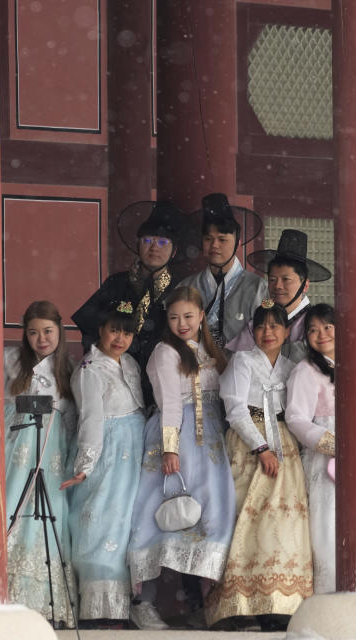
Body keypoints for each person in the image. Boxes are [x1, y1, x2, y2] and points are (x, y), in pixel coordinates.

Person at [126, 286, 236, 630]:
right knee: (160, 514)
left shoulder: (207, 349)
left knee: (213, 517)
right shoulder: (164, 352)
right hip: (179, 437)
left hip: (211, 442)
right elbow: (170, 403)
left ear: (202, 315)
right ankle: (142, 601)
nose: (182, 323)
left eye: (188, 316)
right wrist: (170, 448)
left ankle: (206, 604)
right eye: (174, 317)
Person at [206, 301, 313, 630]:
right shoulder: (242, 361)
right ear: (253, 330)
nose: (269, 332)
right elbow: (235, 409)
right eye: (262, 326)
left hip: (284, 443)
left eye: (275, 326)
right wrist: (261, 447)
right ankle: (238, 605)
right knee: (244, 519)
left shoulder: (291, 365)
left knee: (283, 522)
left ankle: (278, 602)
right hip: (249, 443)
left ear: (286, 331)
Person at [61, 300, 147, 625]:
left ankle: (122, 605)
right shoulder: (89, 371)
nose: (120, 339)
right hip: (108, 453)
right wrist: (86, 465)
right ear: (101, 330)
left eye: (126, 332)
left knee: (126, 524)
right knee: (101, 521)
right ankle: (99, 608)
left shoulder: (131, 364)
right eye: (114, 330)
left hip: (133, 452)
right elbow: (92, 421)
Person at [3, 300, 78, 626]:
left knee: (51, 515)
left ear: (59, 331)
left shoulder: (68, 370)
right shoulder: (11, 361)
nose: (41, 339)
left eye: (48, 331)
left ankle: (48, 602)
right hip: (18, 447)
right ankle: (8, 594)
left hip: (53, 452)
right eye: (33, 332)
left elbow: (75, 421)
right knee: (14, 507)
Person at [71, 200, 184, 406]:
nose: (154, 247)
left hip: (162, 383)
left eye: (162, 242)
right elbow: (90, 328)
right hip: (116, 383)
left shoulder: (180, 289)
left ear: (174, 251)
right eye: (148, 240)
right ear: (137, 244)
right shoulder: (116, 283)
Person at [285, 303, 337, 595]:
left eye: (327, 327)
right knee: (327, 522)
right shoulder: (305, 371)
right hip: (324, 456)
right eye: (313, 330)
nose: (321, 335)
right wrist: (332, 444)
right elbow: (296, 418)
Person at [226, 228, 331, 362]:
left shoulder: (316, 323)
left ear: (305, 285)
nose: (277, 286)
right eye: (272, 280)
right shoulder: (260, 320)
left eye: (286, 279)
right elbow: (231, 358)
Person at [177, 193, 267, 349]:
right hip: (194, 370)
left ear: (238, 243)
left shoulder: (258, 288)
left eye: (222, 239)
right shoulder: (186, 287)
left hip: (242, 370)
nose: (214, 245)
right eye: (208, 239)